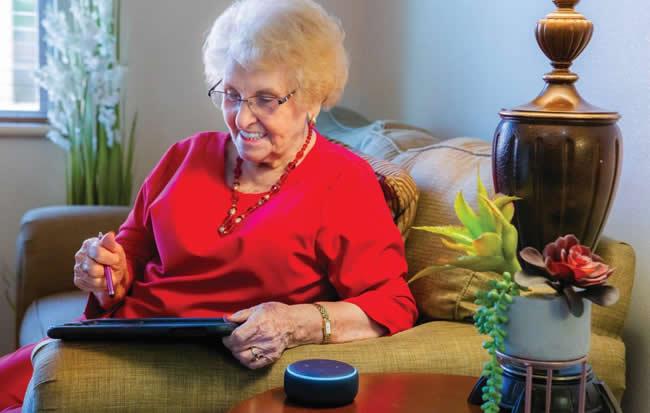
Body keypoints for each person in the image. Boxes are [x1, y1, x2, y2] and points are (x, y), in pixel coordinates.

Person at [0, 0, 417, 410]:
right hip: (115, 337)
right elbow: (128, 254)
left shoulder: (343, 181)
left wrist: (295, 323)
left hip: (183, 365)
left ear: (311, 99)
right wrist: (105, 269)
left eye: (266, 99)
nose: (242, 118)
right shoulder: (187, 155)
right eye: (232, 94)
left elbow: (391, 303)